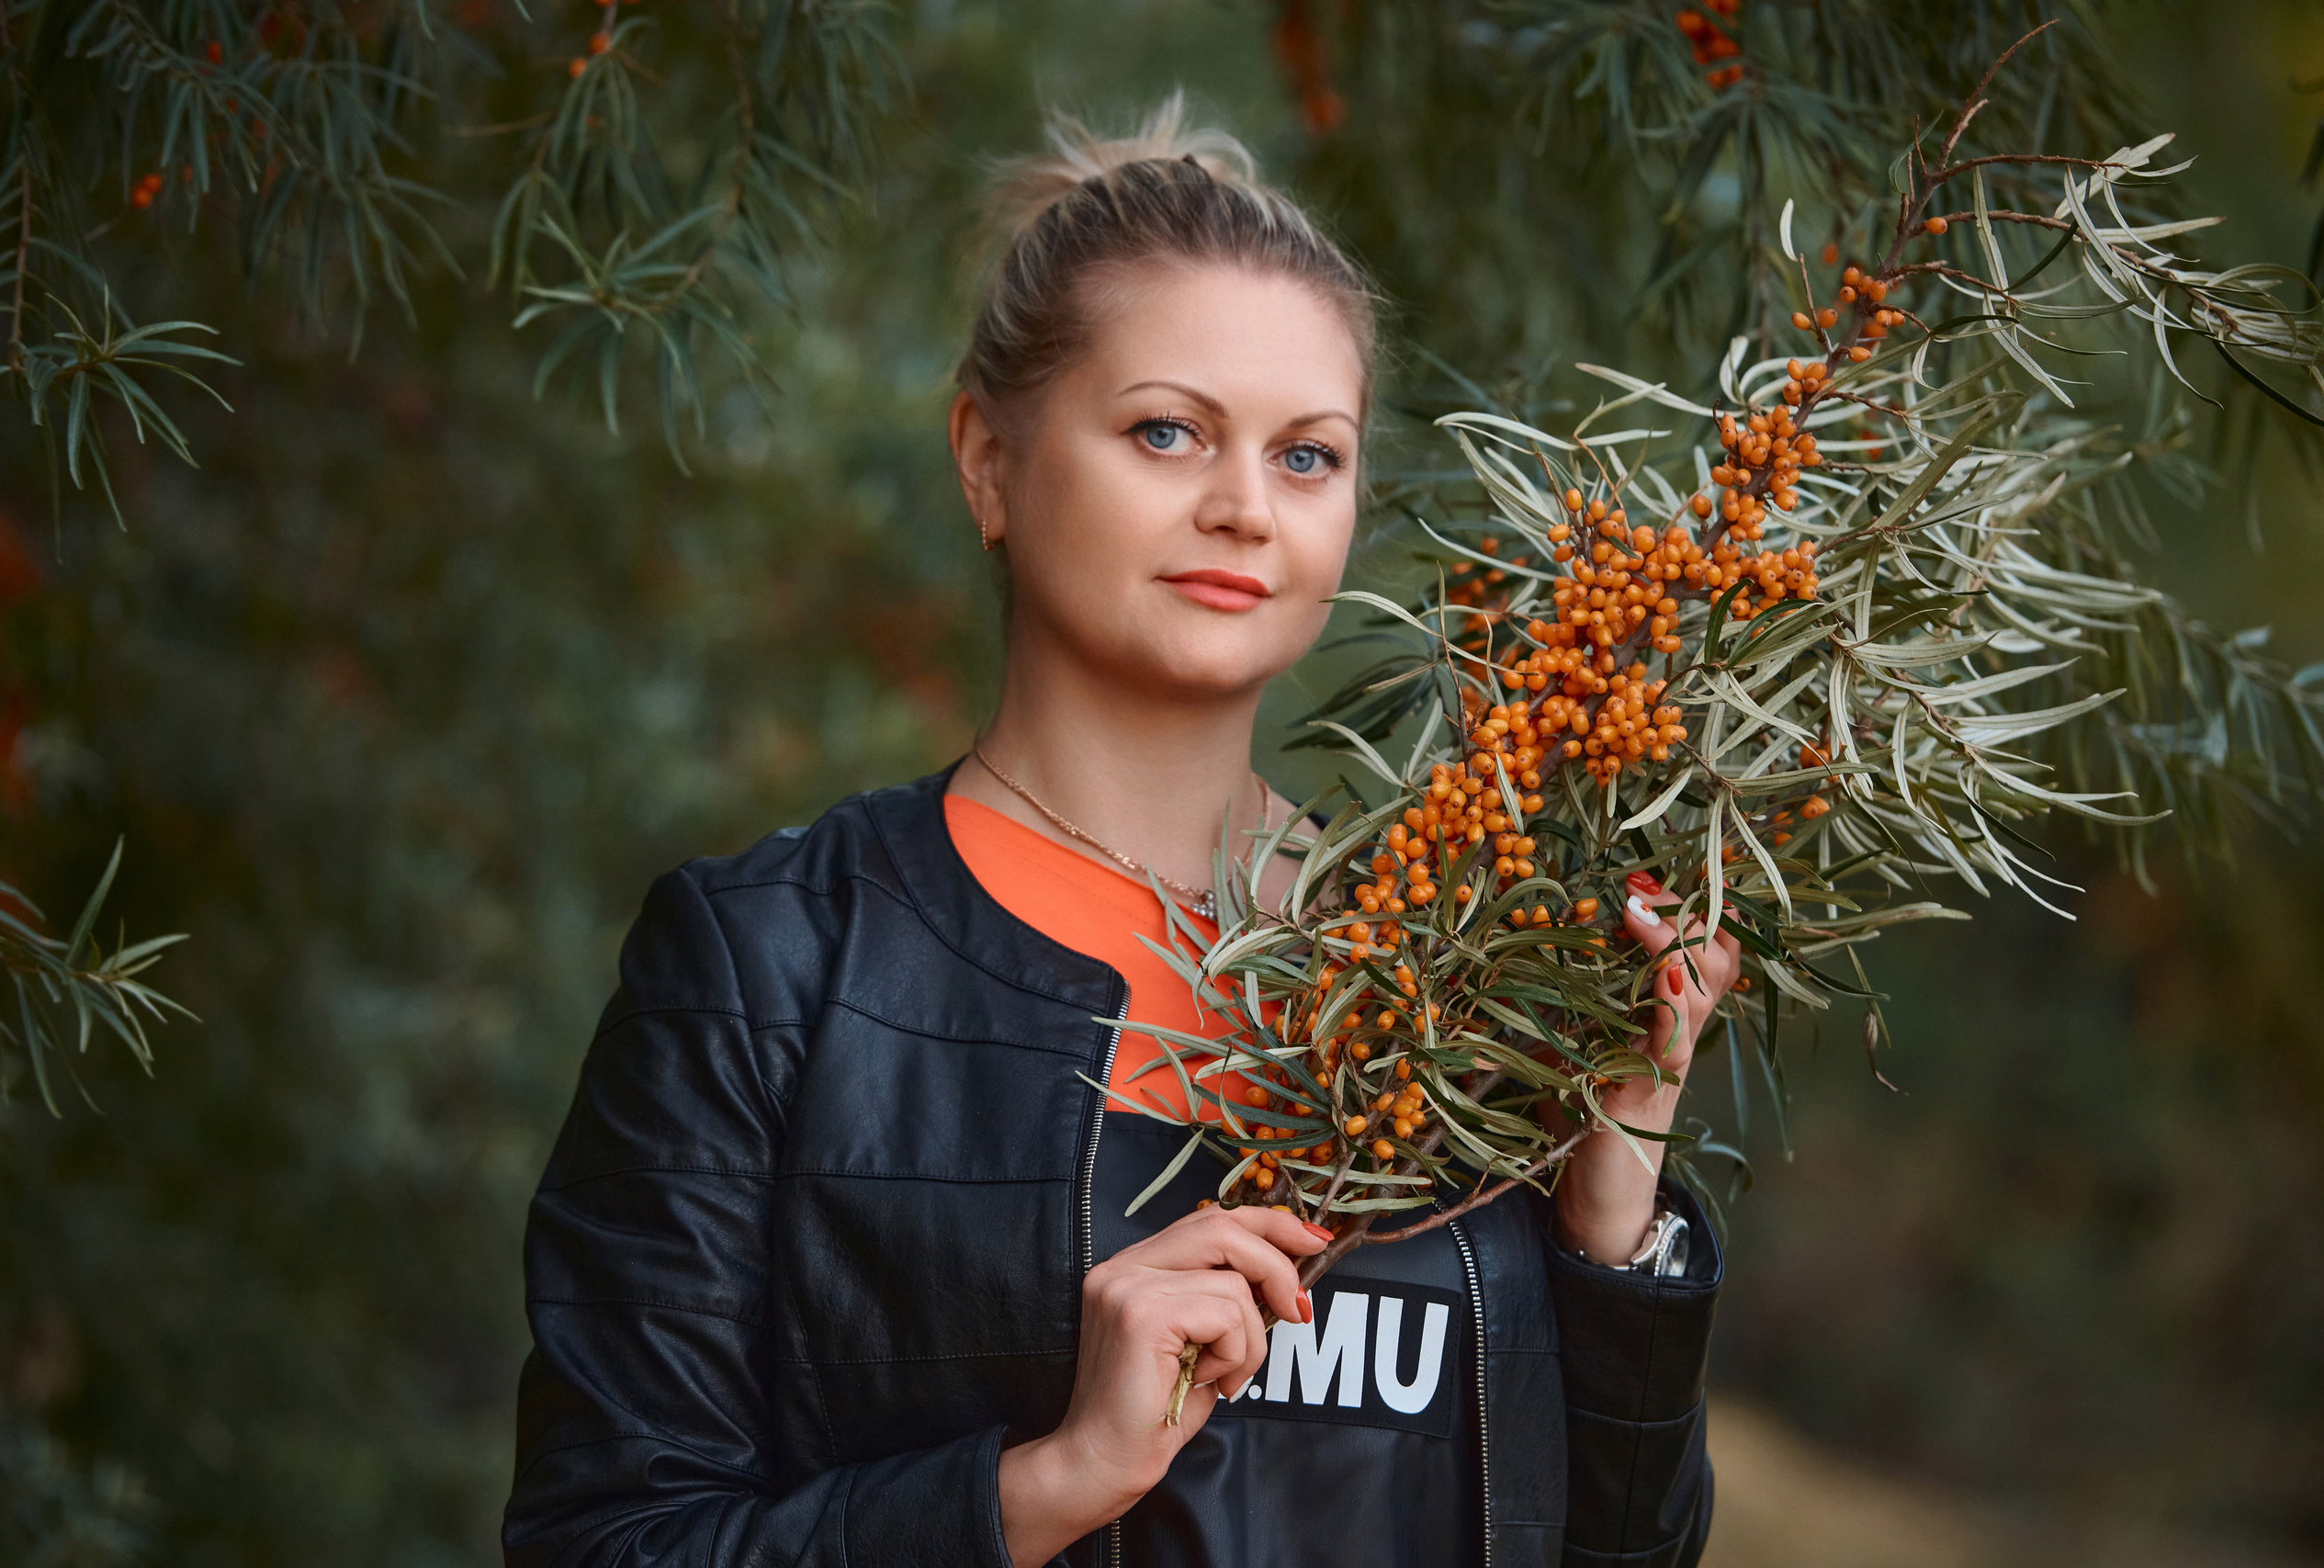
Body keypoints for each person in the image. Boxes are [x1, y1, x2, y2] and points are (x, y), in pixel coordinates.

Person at [503, 99, 1740, 1568]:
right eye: (1168, 432)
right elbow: (605, 1544)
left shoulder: (1464, 972)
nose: (1242, 509)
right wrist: (1044, 1485)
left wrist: (1612, 1239)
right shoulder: (773, 967)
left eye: (1307, 457)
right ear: (986, 461)